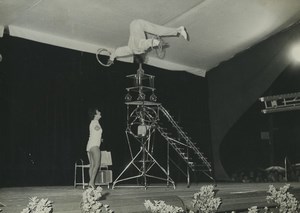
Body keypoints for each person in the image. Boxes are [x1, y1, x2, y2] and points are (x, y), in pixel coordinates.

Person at [108, 19, 189, 64]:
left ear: (142, 56)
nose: (146, 56)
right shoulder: (130, 50)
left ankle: (179, 30)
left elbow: (149, 42)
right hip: (132, 24)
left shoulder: (140, 48)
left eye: (145, 57)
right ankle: (178, 30)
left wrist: (158, 43)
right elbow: (118, 52)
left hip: (139, 24)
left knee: (158, 31)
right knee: (156, 33)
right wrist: (111, 58)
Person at [86, 108, 103, 188]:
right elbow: (96, 130)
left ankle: (91, 184)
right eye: (98, 112)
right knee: (97, 164)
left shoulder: (92, 122)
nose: (100, 112)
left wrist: (100, 139)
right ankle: (91, 182)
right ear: (95, 115)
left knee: (92, 165)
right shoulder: (95, 122)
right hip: (94, 145)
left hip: (89, 146)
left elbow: (94, 133)